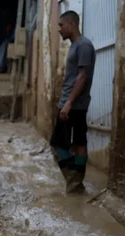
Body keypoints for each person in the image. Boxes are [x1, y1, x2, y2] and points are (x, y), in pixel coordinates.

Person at [51, 10, 96, 193]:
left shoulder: (83, 45)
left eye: (61, 25)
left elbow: (82, 76)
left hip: (74, 104)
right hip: (72, 102)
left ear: (72, 24)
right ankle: (76, 182)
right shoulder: (76, 45)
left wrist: (68, 103)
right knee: (77, 141)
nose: (59, 29)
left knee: (59, 142)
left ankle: (74, 178)